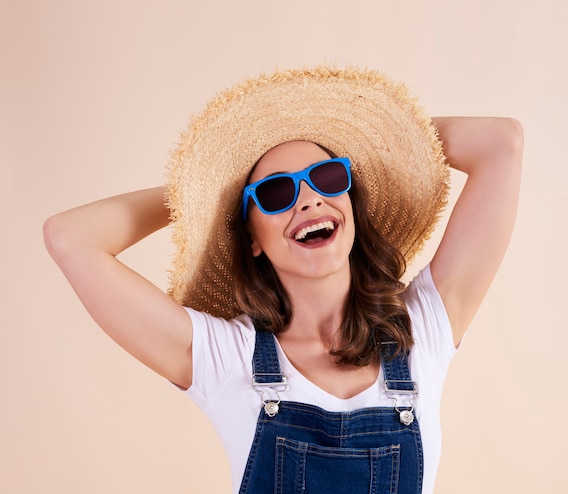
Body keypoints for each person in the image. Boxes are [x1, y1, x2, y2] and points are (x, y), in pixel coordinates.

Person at [44, 66, 523, 494]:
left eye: (329, 176)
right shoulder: (224, 358)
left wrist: (382, 144)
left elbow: (502, 143)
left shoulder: (422, 329)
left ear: (351, 201)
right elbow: (69, 238)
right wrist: (201, 189)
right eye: (276, 192)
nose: (310, 199)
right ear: (251, 236)